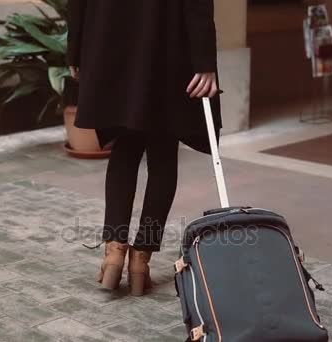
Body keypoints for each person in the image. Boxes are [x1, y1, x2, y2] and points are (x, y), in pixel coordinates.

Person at [67, 0, 222, 296]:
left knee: (125, 148)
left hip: (114, 42)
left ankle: (114, 252)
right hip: (170, 47)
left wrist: (75, 48)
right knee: (163, 156)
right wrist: (205, 62)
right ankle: (141, 260)